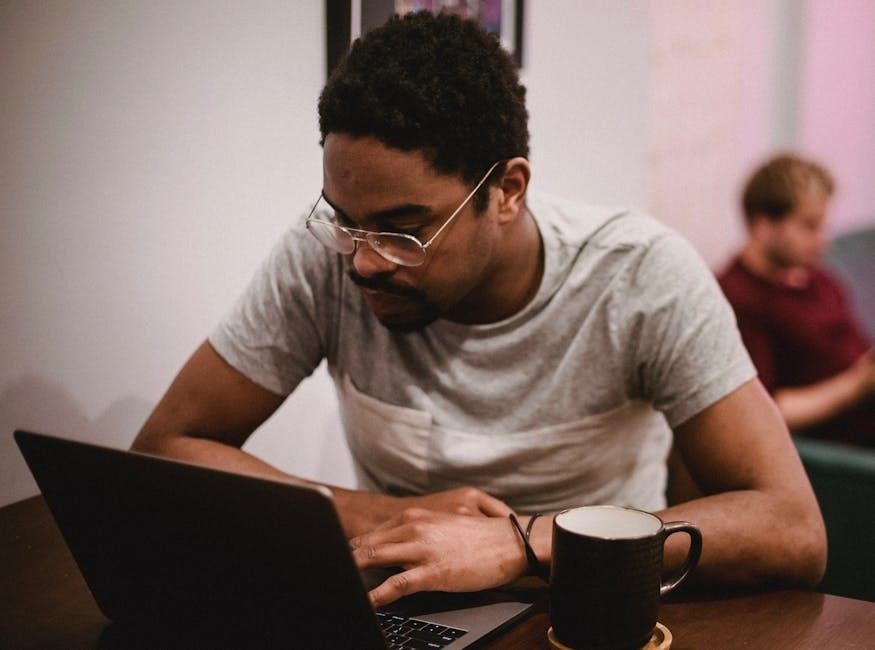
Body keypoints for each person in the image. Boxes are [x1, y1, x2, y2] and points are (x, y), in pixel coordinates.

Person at [133, 13, 826, 607]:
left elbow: (793, 529)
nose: (365, 261)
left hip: (592, 608)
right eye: (344, 220)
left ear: (507, 191)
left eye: (404, 230)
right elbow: (167, 448)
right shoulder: (328, 258)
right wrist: (381, 516)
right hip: (404, 610)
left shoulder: (639, 276)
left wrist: (520, 542)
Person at [718, 154, 875, 447]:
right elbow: (766, 409)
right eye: (809, 226)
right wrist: (858, 385)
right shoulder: (739, 300)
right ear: (763, 226)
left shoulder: (815, 277)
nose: (823, 240)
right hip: (842, 447)